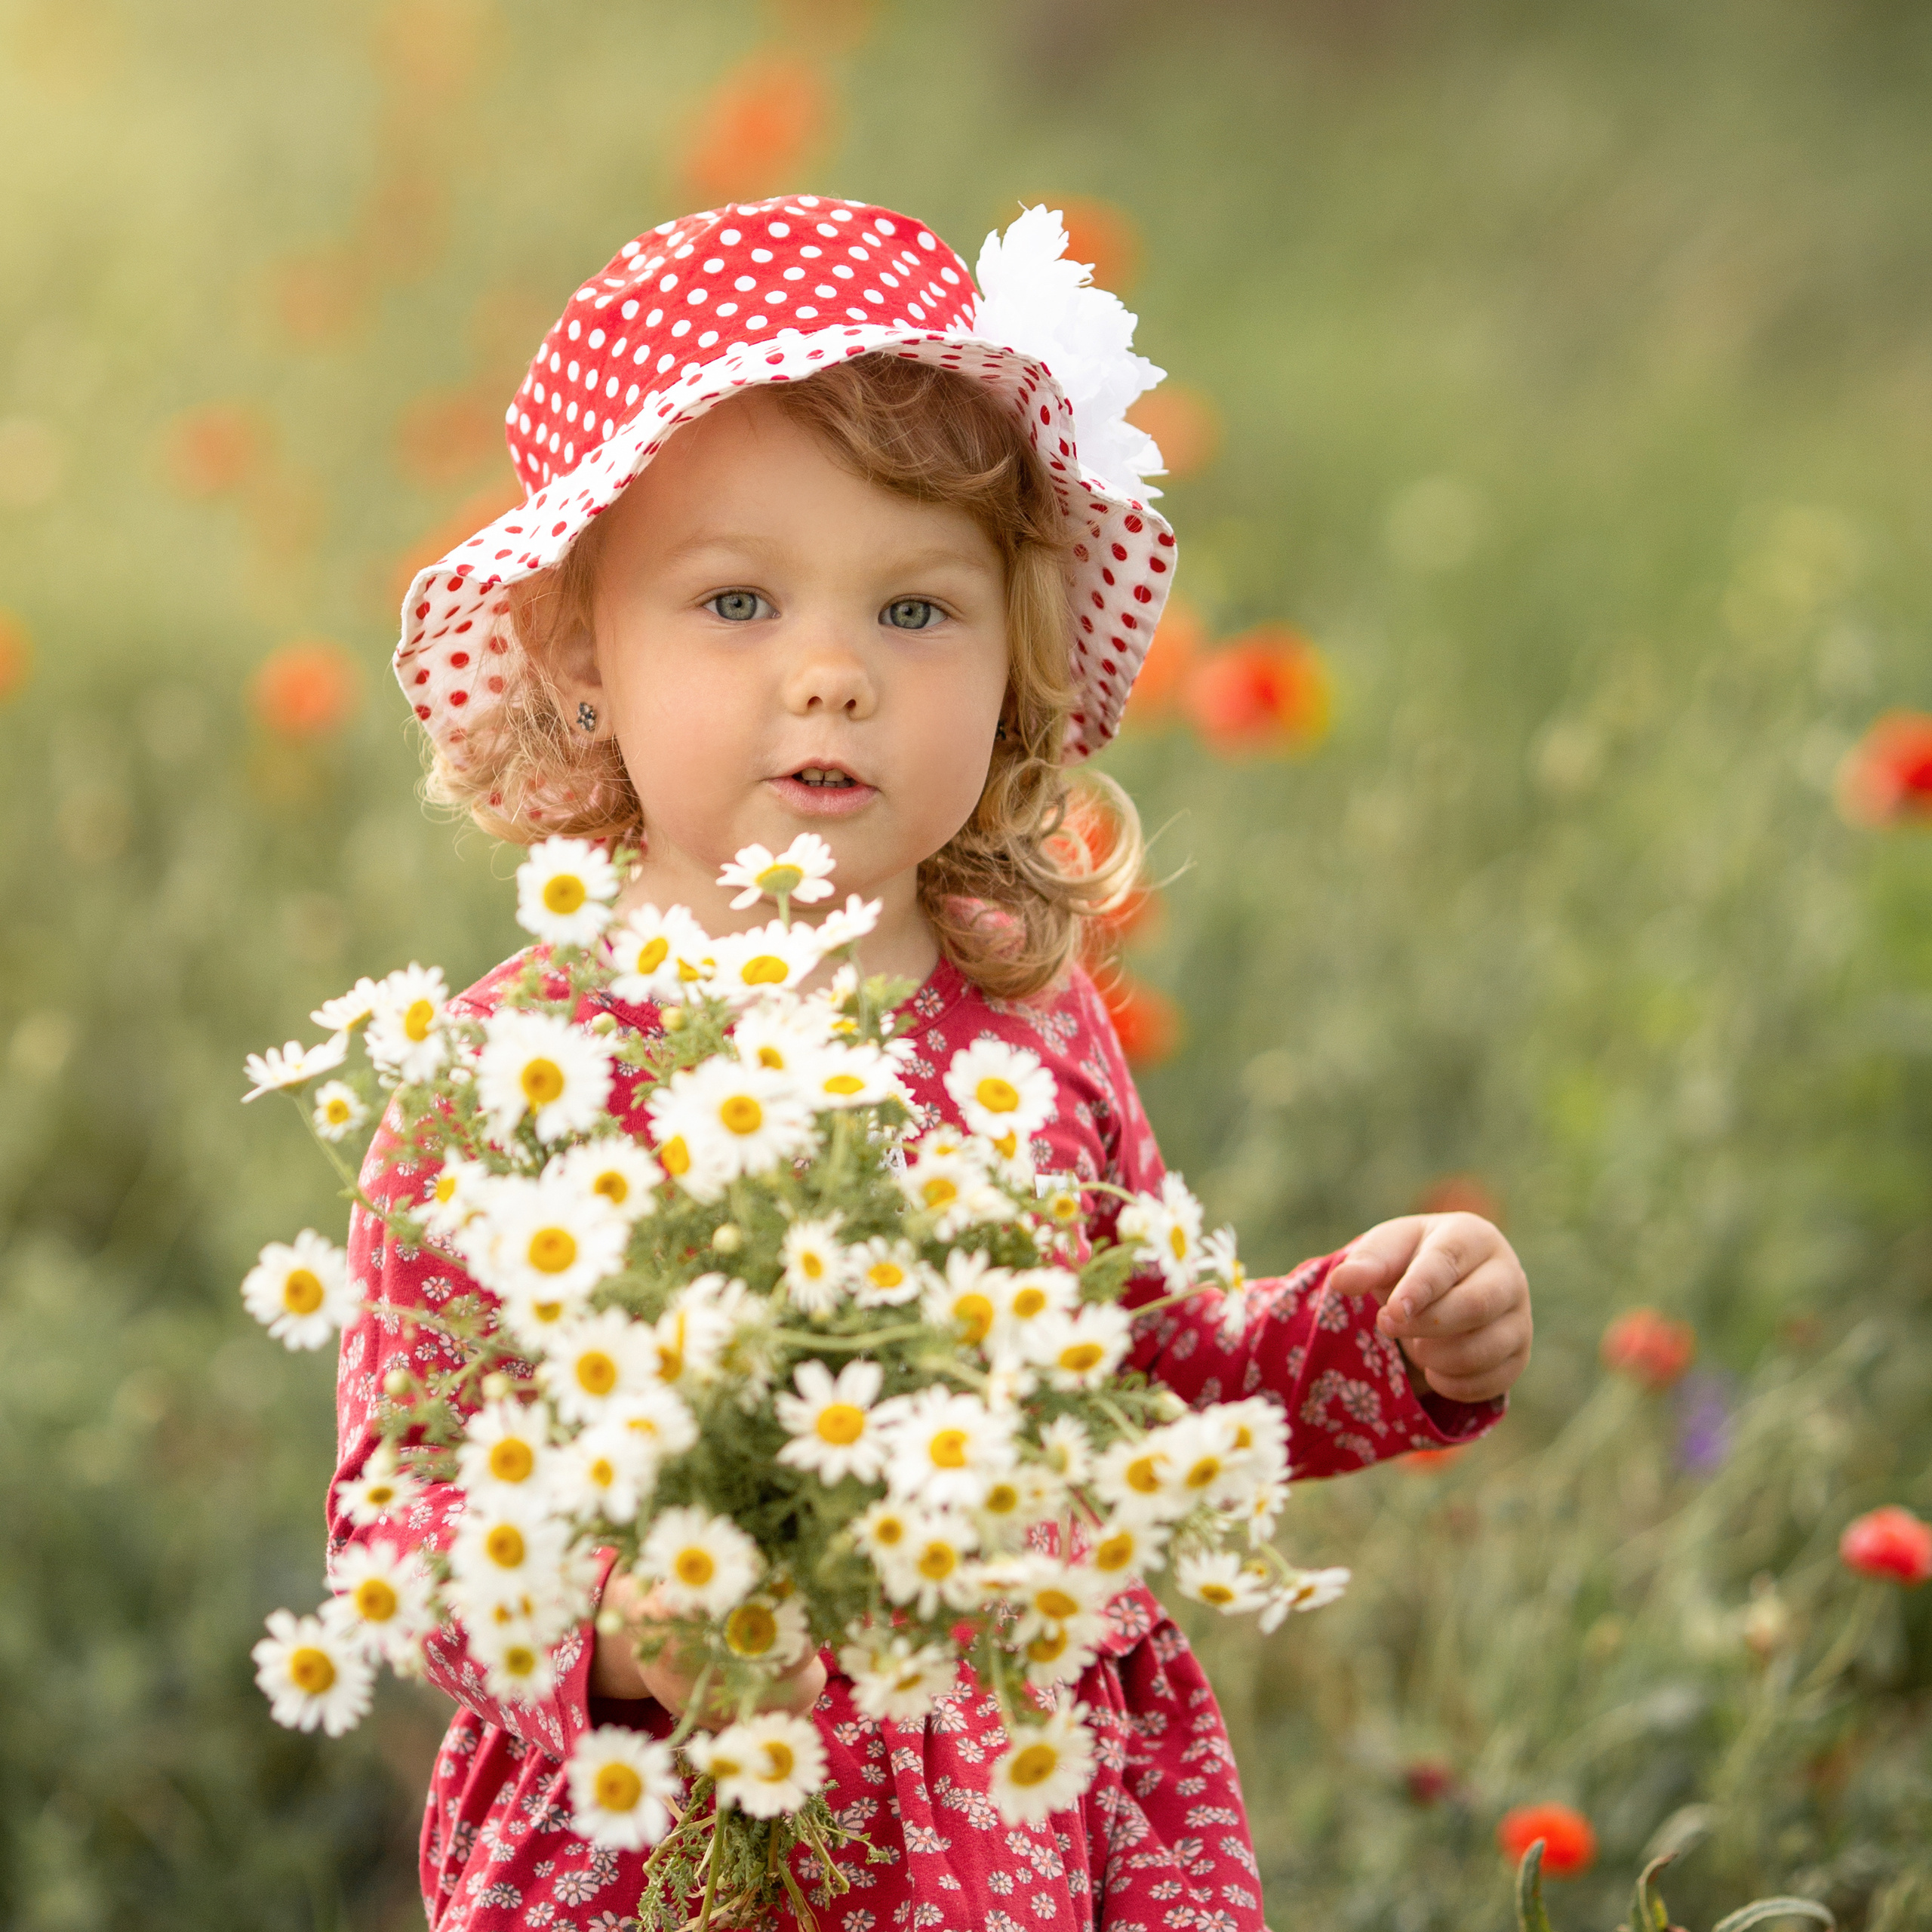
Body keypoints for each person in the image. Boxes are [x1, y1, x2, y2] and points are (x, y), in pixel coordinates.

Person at [335, 195, 1532, 1932]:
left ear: (1015, 661)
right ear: (582, 650)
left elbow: (1137, 1376)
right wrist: (599, 1616)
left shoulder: (1030, 1033)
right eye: (736, 600)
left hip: (1029, 1812)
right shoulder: (509, 1079)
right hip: (678, 1820)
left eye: (915, 611)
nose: (829, 675)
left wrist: (1371, 1336)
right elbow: (403, 1508)